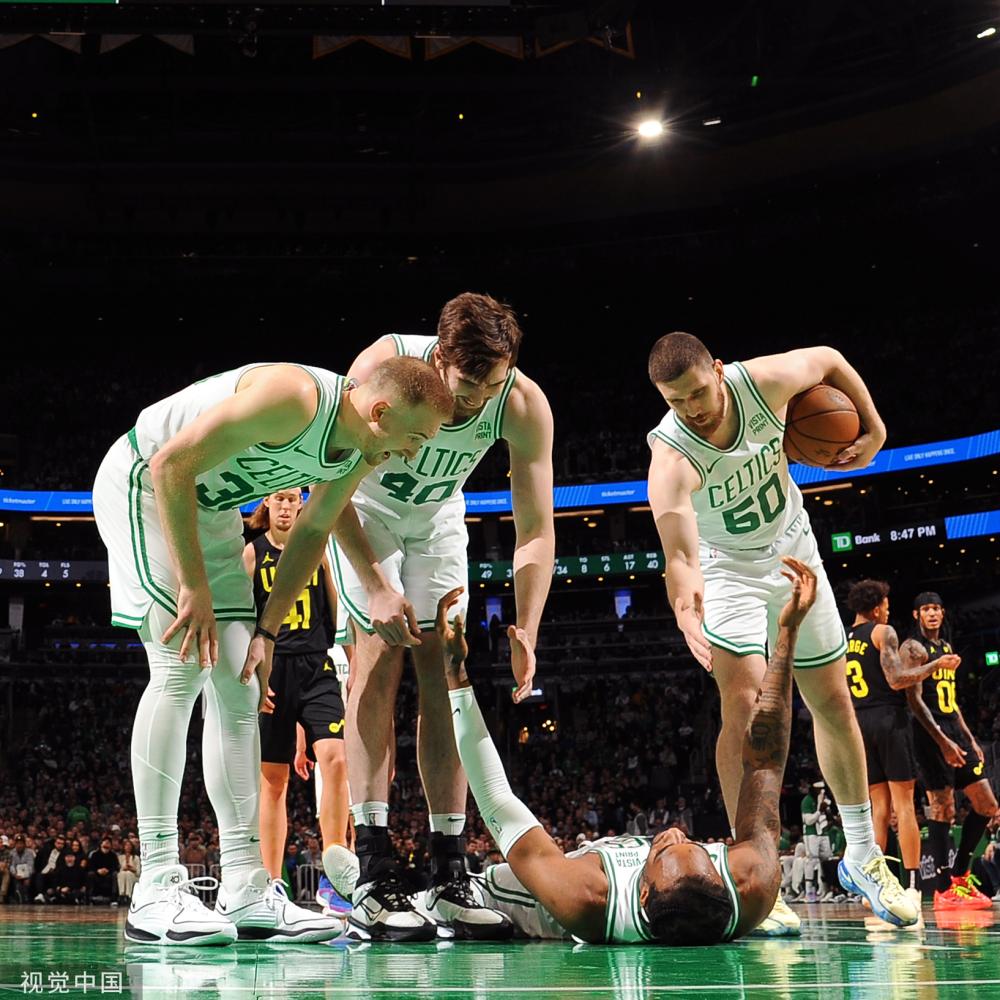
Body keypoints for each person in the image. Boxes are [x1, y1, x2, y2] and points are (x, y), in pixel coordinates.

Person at [93, 356, 452, 946]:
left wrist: (265, 631)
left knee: (238, 684)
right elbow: (170, 464)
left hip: (204, 510)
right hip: (145, 487)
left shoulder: (359, 446)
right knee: (181, 669)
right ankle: (155, 883)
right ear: (381, 413)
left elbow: (311, 533)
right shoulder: (293, 397)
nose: (412, 454)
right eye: (414, 439)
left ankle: (245, 886)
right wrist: (193, 585)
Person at [328, 558, 835, 944]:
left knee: (466, 898)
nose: (673, 832)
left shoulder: (585, 899)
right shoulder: (753, 885)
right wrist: (784, 636)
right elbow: (766, 755)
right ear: (722, 882)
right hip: (617, 869)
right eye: (698, 845)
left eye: (661, 849)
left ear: (640, 892)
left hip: (534, 898)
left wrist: (457, 676)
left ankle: (366, 888)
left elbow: (498, 801)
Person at [645, 332, 916, 934]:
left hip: (796, 549)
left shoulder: (762, 383)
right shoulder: (670, 457)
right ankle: (753, 867)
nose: (691, 409)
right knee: (742, 705)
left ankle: (863, 856)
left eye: (696, 393)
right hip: (728, 571)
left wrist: (874, 430)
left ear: (718, 370)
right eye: (675, 400)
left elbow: (832, 358)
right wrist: (688, 611)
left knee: (832, 702)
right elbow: (681, 556)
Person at [326, 293, 554, 940]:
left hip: (437, 518)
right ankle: (371, 868)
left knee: (447, 677)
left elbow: (535, 528)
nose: (480, 397)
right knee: (375, 661)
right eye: (468, 384)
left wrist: (528, 628)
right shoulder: (382, 368)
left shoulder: (522, 403)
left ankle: (448, 870)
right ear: (440, 355)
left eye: (494, 381)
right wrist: (373, 583)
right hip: (364, 511)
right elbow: (327, 485)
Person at [242, 488, 350, 903]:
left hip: (316, 664)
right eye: (279, 499)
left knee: (336, 758)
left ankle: (338, 866)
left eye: (293, 500)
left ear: (302, 504)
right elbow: (243, 618)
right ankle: (271, 883)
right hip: (275, 669)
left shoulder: (315, 546)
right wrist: (257, 674)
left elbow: (333, 608)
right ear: (266, 503)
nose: (287, 507)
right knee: (274, 780)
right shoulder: (252, 554)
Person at [845, 578, 958, 925]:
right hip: (888, 719)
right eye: (887, 605)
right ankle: (910, 885)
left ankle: (874, 889)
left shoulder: (842, 639)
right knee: (904, 805)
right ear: (878, 606)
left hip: (856, 723)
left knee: (878, 809)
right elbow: (896, 680)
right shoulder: (883, 632)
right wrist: (935, 666)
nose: (888, 610)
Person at [907, 591, 998, 910]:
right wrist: (943, 741)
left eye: (936, 609)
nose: (932, 614)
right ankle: (944, 889)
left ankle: (961, 876)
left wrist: (970, 739)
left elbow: (953, 701)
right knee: (942, 807)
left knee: (987, 805)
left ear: (943, 614)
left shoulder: (945, 648)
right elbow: (914, 700)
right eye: (926, 609)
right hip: (929, 734)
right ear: (916, 614)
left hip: (954, 729)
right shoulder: (913, 648)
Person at [88, 836, 120, 904]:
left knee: (115, 874)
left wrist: (108, 870)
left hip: (109, 875)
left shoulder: (113, 855)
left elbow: (116, 867)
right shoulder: (95, 855)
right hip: (97, 874)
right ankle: (89, 898)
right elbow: (91, 866)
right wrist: (98, 870)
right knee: (90, 874)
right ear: (101, 844)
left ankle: (114, 898)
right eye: (105, 843)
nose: (106, 845)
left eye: (108, 843)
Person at [118, 839, 141, 905]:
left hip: (134, 876)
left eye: (129, 845)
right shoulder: (120, 857)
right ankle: (122, 894)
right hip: (123, 875)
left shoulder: (136, 858)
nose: (128, 847)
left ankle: (129, 895)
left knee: (128, 874)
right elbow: (119, 869)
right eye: (126, 845)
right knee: (122, 874)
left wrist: (132, 869)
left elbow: (138, 872)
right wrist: (124, 868)